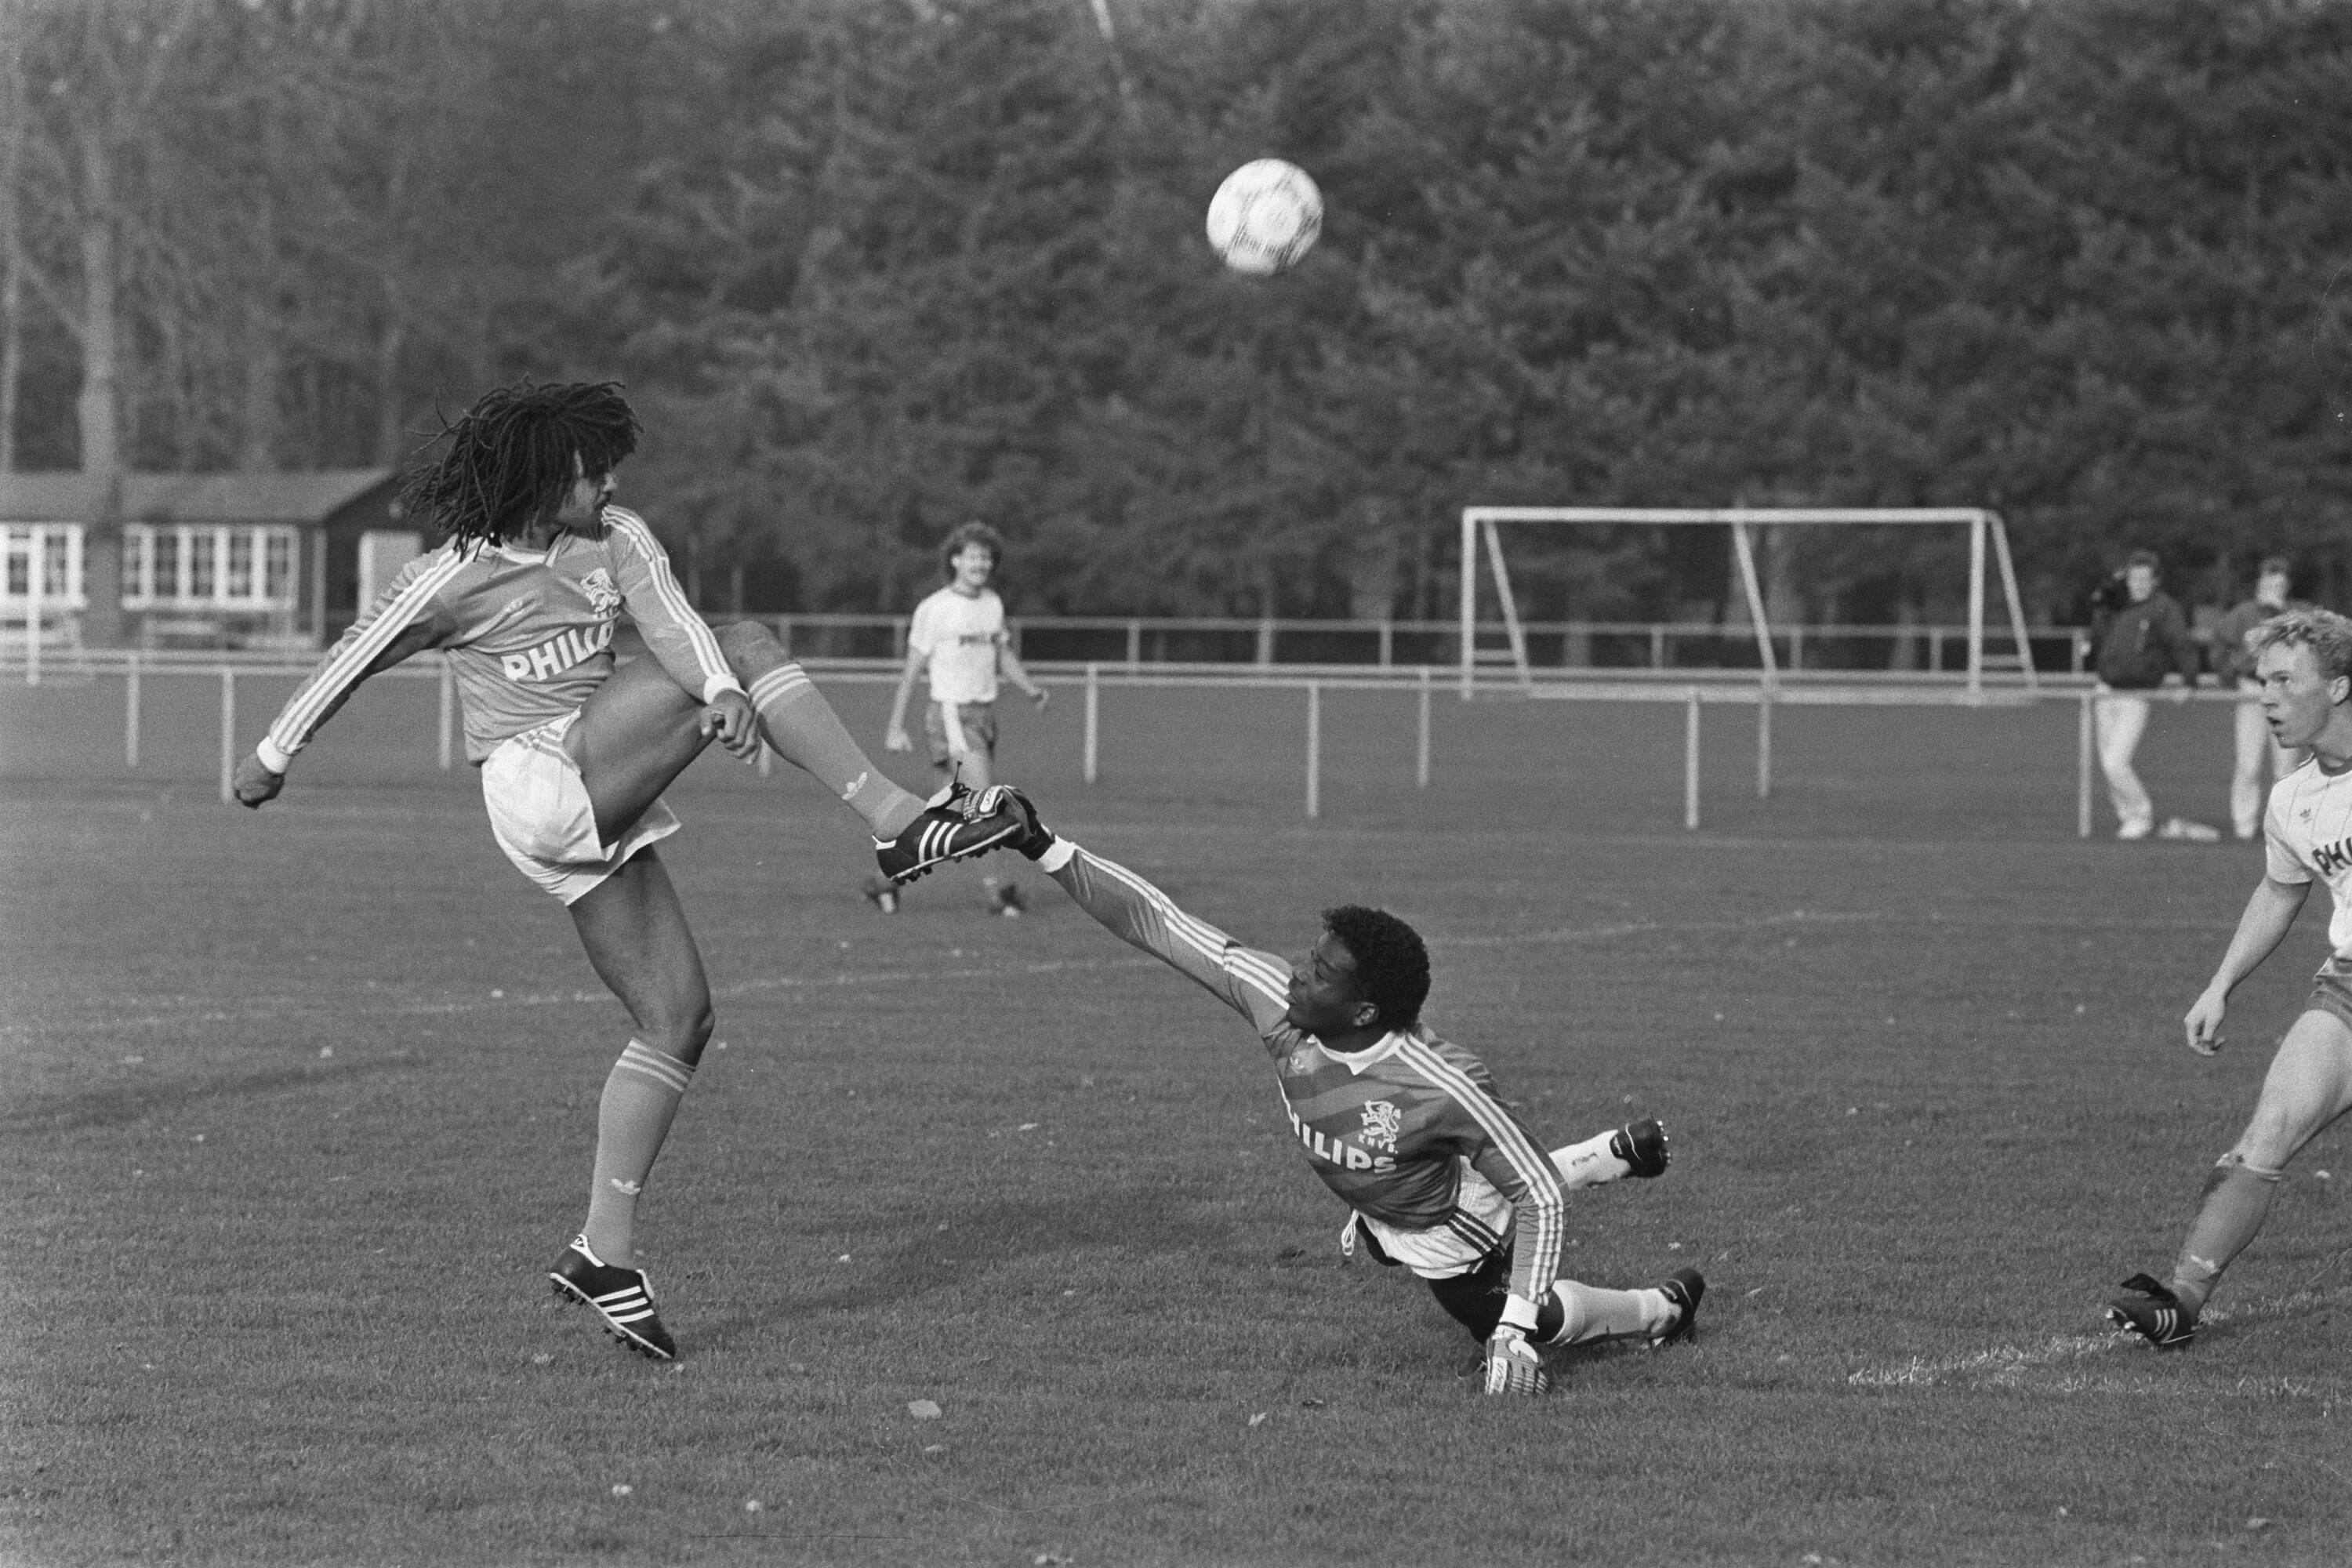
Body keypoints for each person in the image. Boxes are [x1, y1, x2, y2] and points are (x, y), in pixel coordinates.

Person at [230, 380, 1022, 1361]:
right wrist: (272, 753)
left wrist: (722, 693)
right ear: (539, 477)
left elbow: (673, 620)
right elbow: (353, 654)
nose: (608, 483)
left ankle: (604, 1252)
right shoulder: (454, 576)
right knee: (745, 643)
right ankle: (897, 820)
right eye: (590, 470)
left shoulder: (617, 535)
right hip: (537, 778)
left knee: (680, 1017)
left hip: (594, 786)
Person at [982, 789, 1699, 1396]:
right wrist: (1044, 844)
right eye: (1309, 958)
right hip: (1390, 1202)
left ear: (1363, 1012)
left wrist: (1513, 1332)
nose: (1298, 974)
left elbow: (1536, 1194)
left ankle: (1661, 1309)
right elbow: (1163, 926)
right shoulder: (1278, 1007)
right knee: (1398, 1248)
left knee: (1509, 1316)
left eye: (1321, 973)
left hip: (1448, 1221)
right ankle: (1613, 1154)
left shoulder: (1442, 1084)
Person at [2107, 608, 2352, 1348]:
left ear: (2339, 687)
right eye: (2262, 682)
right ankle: (2181, 1299)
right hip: (2348, 985)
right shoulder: (2293, 800)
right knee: (2267, 1134)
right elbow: (2281, 893)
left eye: (2285, 681)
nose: (2267, 698)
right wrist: (2220, 985)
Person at [873, 521, 1051, 917]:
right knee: (987, 804)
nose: (980, 564)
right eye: (972, 556)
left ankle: (884, 883)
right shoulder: (934, 609)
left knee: (947, 813)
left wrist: (1029, 688)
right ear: (955, 560)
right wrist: (895, 724)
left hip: (984, 716)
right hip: (950, 717)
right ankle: (998, 893)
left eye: (986, 557)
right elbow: (912, 669)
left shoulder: (992, 604)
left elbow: (1003, 656)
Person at [2086, 550, 2205, 840]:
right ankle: (2127, 816)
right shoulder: (2117, 603)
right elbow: (2097, 609)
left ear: (2155, 581)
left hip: (2136, 694)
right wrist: (2109, 587)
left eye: (2144, 578)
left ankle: (2140, 815)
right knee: (2106, 762)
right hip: (2106, 690)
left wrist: (2190, 680)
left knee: (2116, 761)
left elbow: (2181, 643)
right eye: (2133, 577)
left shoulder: (2164, 608)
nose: (2138, 584)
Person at [2210, 557, 2310, 840]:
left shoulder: (2298, 613)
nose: (2273, 587)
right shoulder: (2244, 613)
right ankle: (2244, 825)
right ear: (2259, 583)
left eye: (2278, 582)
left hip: (2287, 692)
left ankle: (2283, 826)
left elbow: (2311, 645)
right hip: (2253, 689)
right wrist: (2229, 673)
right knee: (2248, 763)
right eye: (2268, 581)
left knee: (2287, 765)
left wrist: (2279, 613)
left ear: (2287, 585)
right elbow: (2220, 643)